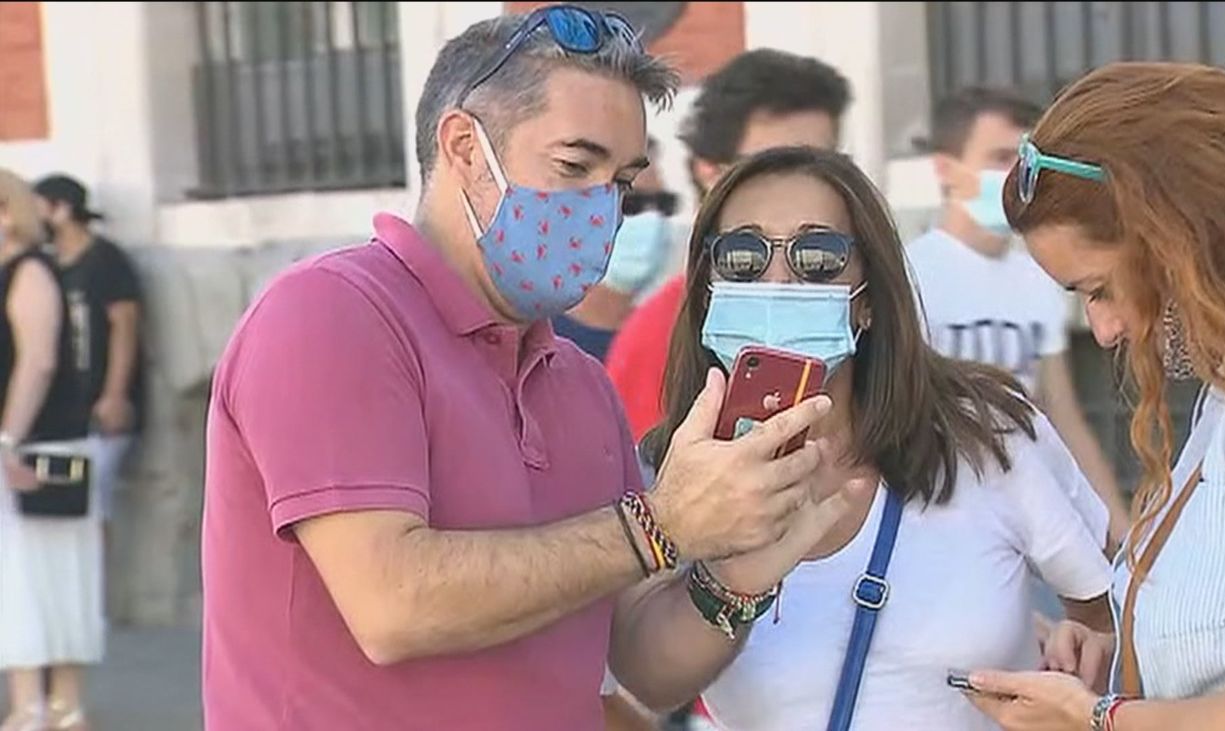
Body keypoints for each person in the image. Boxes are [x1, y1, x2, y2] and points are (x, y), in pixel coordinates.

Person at [201, 8, 852, 730]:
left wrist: (736, 578)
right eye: (576, 166)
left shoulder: (576, 382)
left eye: (622, 181)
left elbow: (639, 662)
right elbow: (392, 603)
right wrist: (660, 524)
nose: (604, 208)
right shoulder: (330, 315)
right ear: (465, 149)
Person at [606, 146, 1114, 730]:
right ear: (707, 292)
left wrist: (1084, 674)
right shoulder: (674, 480)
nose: (779, 281)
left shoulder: (986, 437)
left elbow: (1109, 620)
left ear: (868, 299)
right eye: (743, 255)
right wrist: (728, 578)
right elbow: (638, 682)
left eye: (817, 256)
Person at [962, 62, 1225, 731]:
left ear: (1180, 242)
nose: (1104, 328)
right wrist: (1120, 655)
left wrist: (1097, 716)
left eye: (1100, 288)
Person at [907, 87, 1128, 544]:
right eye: (998, 156)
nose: (1010, 174)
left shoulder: (1040, 273)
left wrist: (1119, 533)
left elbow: (1060, 415)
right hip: (938, 520)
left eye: (1021, 160)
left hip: (1032, 518)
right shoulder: (911, 274)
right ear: (946, 169)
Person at [606, 49, 850, 440]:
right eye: (774, 167)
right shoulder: (655, 338)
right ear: (711, 173)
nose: (806, 187)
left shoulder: (866, 317)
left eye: (826, 166)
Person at [0, 169, 99, 731]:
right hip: (21, 441)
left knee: (44, 573)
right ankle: (42, 703)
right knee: (26, 574)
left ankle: (49, 703)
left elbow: (37, 362)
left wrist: (7, 439)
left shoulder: (30, 272)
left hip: (39, 443)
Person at [34, 175, 144, 538]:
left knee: (95, 506)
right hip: (67, 413)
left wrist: (114, 394)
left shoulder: (105, 259)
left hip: (101, 406)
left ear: (61, 210)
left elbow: (125, 325)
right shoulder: (48, 267)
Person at [553, 136, 678, 361]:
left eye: (663, 204)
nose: (653, 219)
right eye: (632, 204)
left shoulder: (672, 344)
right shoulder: (535, 344)